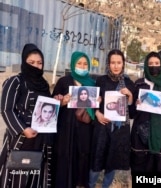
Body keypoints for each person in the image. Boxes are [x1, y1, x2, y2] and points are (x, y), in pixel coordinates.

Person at [0, 43, 54, 187]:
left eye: (39, 63)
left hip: (39, 139)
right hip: (21, 139)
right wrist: (23, 129)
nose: (36, 66)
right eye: (31, 62)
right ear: (24, 62)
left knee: (35, 175)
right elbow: (6, 109)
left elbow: (47, 109)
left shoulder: (43, 85)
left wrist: (58, 101)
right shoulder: (15, 82)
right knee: (17, 174)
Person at [89, 49, 135, 188]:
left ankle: (105, 186)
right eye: (112, 62)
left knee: (112, 161)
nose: (116, 66)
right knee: (96, 159)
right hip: (102, 126)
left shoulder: (129, 83)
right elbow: (93, 103)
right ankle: (90, 185)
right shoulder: (101, 80)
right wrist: (97, 113)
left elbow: (132, 113)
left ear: (123, 64)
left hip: (119, 129)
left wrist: (130, 96)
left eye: (119, 62)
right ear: (108, 64)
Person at [51, 51, 96, 188]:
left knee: (82, 157)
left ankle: (80, 183)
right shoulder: (63, 81)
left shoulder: (92, 83)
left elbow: (94, 108)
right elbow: (52, 104)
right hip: (66, 129)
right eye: (79, 63)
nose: (82, 67)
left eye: (85, 64)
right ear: (73, 64)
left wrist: (97, 101)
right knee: (65, 156)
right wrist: (63, 101)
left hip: (84, 129)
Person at [130, 51, 161, 173]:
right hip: (140, 132)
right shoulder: (139, 83)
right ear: (146, 65)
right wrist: (135, 104)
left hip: (159, 132)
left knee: (156, 167)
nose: (154, 66)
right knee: (139, 167)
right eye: (150, 63)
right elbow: (131, 112)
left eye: (156, 63)